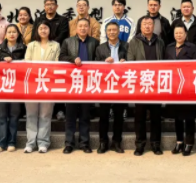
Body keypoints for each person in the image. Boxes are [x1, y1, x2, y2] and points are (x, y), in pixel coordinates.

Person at [59, 18, 99, 153]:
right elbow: (61, 57)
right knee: (70, 115)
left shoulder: (94, 42)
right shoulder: (67, 41)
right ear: (76, 28)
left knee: (85, 115)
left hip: (87, 83)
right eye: (80, 26)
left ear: (89, 28)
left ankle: (84, 143)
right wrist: (72, 59)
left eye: (85, 26)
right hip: (72, 83)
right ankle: (69, 143)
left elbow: (98, 59)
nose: (83, 28)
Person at [128, 16, 165, 156]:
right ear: (140, 26)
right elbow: (130, 60)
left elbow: (164, 61)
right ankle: (140, 145)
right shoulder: (134, 41)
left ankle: (156, 144)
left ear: (153, 26)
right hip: (141, 84)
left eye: (150, 23)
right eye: (145, 24)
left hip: (156, 85)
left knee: (156, 116)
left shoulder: (159, 41)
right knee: (140, 117)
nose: (147, 26)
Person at [24, 20, 61, 154]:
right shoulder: (31, 45)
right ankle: (30, 143)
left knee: (45, 114)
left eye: (46, 28)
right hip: (32, 84)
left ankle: (43, 142)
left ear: (50, 30)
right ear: (37, 30)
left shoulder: (55, 45)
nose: (43, 30)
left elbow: (57, 64)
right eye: (41, 28)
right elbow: (27, 63)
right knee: (31, 114)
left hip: (48, 84)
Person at [164, 24, 196, 156]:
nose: (178, 35)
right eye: (176, 33)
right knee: (177, 117)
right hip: (174, 86)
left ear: (186, 34)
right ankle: (179, 142)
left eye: (181, 33)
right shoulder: (169, 48)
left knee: (189, 117)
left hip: (188, 86)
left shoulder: (192, 47)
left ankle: (189, 143)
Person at [0, 24, 26, 153]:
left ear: (18, 34)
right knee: (1, 116)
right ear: (5, 34)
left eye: (14, 32)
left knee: (14, 115)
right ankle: (0, 143)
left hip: (17, 87)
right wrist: (1, 58)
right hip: (1, 87)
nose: (12, 34)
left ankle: (12, 142)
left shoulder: (24, 48)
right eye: (9, 32)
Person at [95, 21, 129, 153]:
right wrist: (104, 62)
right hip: (105, 85)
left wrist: (125, 62)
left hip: (121, 85)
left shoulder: (126, 46)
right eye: (109, 30)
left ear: (119, 31)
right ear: (106, 32)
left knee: (119, 115)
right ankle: (103, 142)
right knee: (103, 115)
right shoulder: (100, 48)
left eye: (114, 30)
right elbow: (95, 65)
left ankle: (117, 142)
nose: (112, 32)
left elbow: (133, 62)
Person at [36, 0, 70, 121]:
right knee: (42, 83)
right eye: (47, 4)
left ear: (56, 6)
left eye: (52, 4)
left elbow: (63, 35)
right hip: (40, 55)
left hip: (57, 54)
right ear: (44, 6)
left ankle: (59, 110)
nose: (50, 6)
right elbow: (35, 35)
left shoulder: (63, 20)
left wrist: (51, 45)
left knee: (57, 83)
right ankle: (41, 110)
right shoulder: (39, 20)